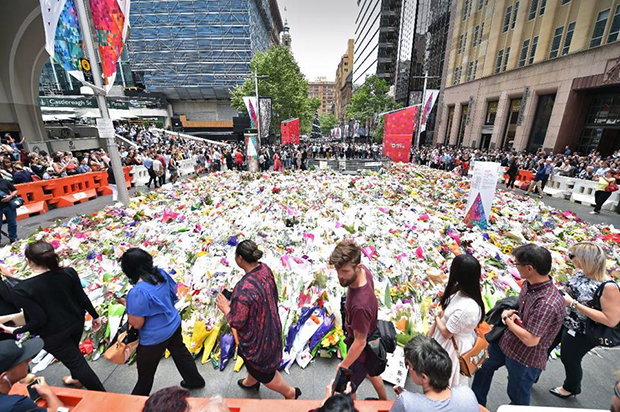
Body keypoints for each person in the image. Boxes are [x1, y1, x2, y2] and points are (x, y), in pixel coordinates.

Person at [0, 242, 105, 391]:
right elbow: (82, 298)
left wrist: (15, 331)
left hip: (53, 333)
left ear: (29, 261)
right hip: (75, 321)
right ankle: (76, 378)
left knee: (77, 363)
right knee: (73, 353)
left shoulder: (23, 289)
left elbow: (39, 319)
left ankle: (102, 395)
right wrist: (95, 316)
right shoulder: (68, 272)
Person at [472, 244, 564, 406]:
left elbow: (531, 340)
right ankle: (476, 405)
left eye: (517, 265)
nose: (515, 268)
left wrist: (507, 320)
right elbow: (523, 310)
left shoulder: (546, 303)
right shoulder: (530, 284)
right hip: (505, 342)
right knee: (483, 368)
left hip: (525, 357)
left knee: (518, 395)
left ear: (529, 268)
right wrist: (512, 313)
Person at [215, 240, 300, 400]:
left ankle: (290, 393)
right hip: (271, 325)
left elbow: (237, 322)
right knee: (252, 363)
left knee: (264, 372)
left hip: (258, 338)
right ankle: (251, 382)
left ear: (239, 258)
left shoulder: (243, 288)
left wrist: (226, 308)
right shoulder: (264, 269)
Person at [121, 248, 205, 396]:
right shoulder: (161, 274)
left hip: (154, 338)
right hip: (173, 323)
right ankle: (195, 380)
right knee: (181, 352)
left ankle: (135, 403)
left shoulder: (137, 292)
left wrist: (128, 305)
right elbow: (173, 295)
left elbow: (137, 323)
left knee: (145, 375)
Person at [548, 243, 620, 398]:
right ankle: (529, 376)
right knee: (544, 347)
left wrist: (574, 304)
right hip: (564, 320)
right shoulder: (581, 272)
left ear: (585, 260)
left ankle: (571, 387)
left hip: (583, 330)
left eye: (574, 257)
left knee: (569, 358)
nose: (571, 259)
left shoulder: (609, 287)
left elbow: (611, 320)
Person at [329, 240, 387, 400]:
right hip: (370, 334)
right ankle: (384, 401)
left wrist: (343, 365)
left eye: (345, 271)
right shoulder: (364, 273)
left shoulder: (360, 306)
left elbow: (360, 342)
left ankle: (351, 408)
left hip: (360, 347)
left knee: (348, 387)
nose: (340, 276)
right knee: (372, 371)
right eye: (338, 270)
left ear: (357, 266)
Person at [429, 254, 485, 387]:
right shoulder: (461, 291)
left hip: (451, 349)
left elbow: (447, 333)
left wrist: (437, 317)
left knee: (442, 385)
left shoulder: (468, 307)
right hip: (446, 344)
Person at [390, 335, 479, 412]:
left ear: (424, 377)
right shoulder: (467, 394)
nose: (408, 369)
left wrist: (407, 400)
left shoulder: (406, 402)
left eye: (409, 365)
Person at [0, 337, 66, 412]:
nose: (29, 360)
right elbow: (61, 411)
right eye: (22, 360)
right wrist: (48, 392)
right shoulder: (17, 405)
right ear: (3, 377)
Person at [0, 178, 18, 244]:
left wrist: (11, 196)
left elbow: (15, 190)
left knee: (12, 223)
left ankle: (13, 238)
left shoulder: (4, 181)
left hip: (9, 206)